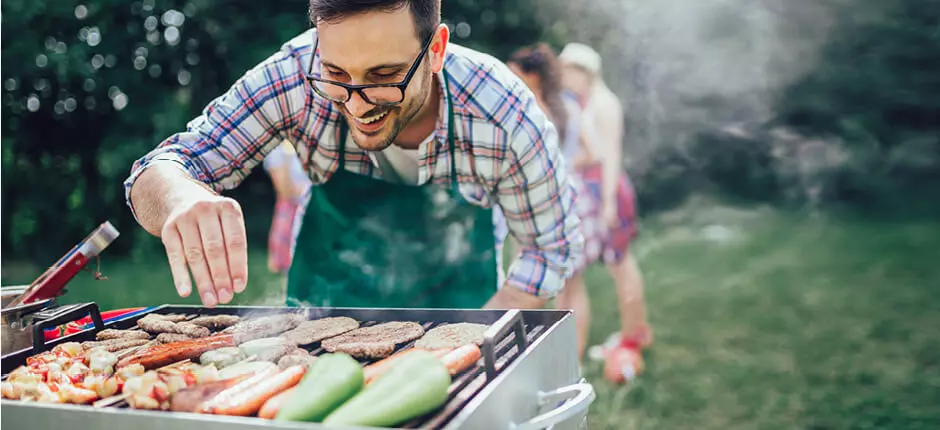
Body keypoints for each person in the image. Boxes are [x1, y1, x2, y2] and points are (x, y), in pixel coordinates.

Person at [122, 0, 583, 311]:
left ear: (436, 49)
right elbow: (160, 169)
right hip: (320, 320)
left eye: (384, 75)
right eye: (337, 73)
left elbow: (551, 247)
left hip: (462, 313)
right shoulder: (296, 76)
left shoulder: (502, 112)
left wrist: (476, 338)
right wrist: (179, 196)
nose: (357, 106)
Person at [556, 42, 653, 384]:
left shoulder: (604, 104)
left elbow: (610, 156)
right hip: (593, 193)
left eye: (569, 70)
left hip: (608, 194)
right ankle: (634, 333)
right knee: (616, 265)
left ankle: (633, 336)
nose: (564, 76)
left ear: (586, 72)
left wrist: (608, 204)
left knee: (621, 265)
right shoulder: (582, 102)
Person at [261, 142, 312, 275]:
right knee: (290, 268)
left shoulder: (311, 144)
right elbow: (285, 191)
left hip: (312, 212)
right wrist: (288, 155)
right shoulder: (276, 150)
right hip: (291, 213)